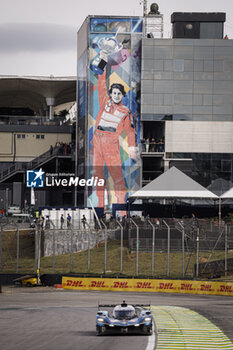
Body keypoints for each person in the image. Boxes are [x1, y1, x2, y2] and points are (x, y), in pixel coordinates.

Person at [92, 58, 138, 207]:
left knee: (117, 178)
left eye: (119, 93)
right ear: (111, 94)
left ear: (122, 95)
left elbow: (130, 132)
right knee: (98, 178)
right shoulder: (105, 100)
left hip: (111, 144)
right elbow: (101, 81)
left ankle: (122, 210)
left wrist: (132, 147)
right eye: (114, 93)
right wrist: (103, 59)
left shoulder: (125, 111)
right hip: (98, 142)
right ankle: (99, 208)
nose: (116, 95)